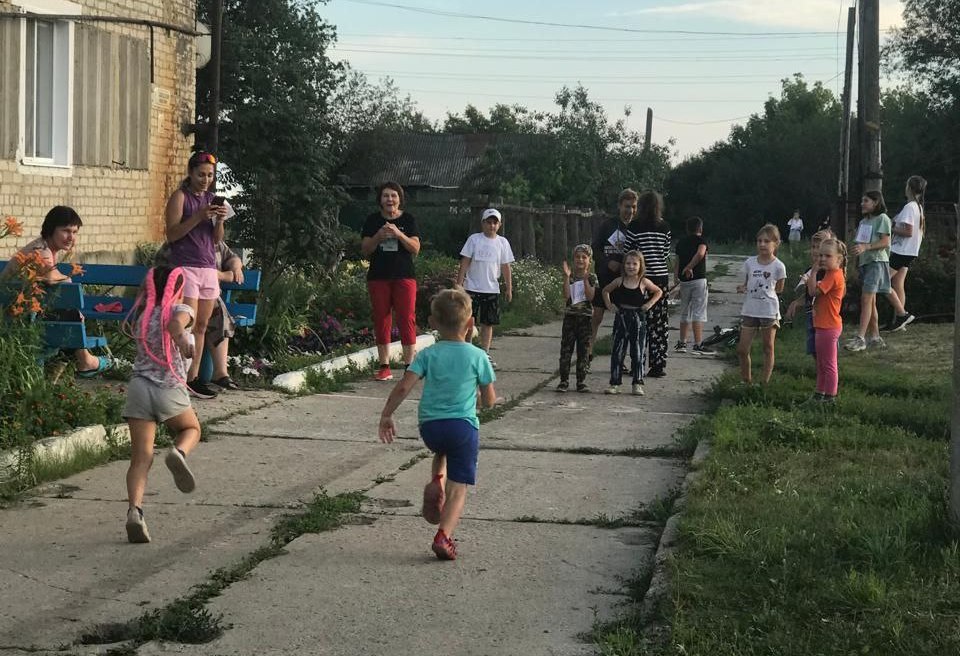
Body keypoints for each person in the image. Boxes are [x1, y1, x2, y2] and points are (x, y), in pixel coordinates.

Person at [378, 288, 496, 561]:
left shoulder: (427, 355)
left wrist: (386, 415)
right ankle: (444, 535)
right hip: (462, 427)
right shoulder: (478, 356)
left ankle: (437, 480)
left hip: (430, 428)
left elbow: (404, 386)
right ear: (471, 323)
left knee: (442, 449)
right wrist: (481, 400)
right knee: (459, 487)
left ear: (433, 323)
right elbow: (489, 401)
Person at [121, 266, 201, 543]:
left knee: (141, 458)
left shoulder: (143, 315)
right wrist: (182, 339)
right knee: (191, 429)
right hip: (168, 387)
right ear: (176, 288)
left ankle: (135, 512)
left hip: (139, 389)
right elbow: (176, 325)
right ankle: (178, 453)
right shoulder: (182, 309)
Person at [2, 205, 111, 377]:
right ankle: (85, 361)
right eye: (66, 231)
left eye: (75, 232)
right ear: (51, 229)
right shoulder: (41, 250)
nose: (71, 237)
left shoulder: (46, 248)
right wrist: (68, 278)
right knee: (68, 315)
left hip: (23, 314)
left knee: (67, 314)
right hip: (14, 318)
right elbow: (51, 277)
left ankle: (72, 364)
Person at [163, 151, 228, 399]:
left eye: (210, 175)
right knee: (186, 323)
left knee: (201, 325)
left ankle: (194, 377)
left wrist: (219, 221)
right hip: (186, 266)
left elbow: (216, 240)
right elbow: (172, 234)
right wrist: (199, 216)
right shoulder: (180, 197)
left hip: (208, 267)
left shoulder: (212, 199)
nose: (205, 180)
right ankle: (180, 375)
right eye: (201, 174)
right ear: (190, 173)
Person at [360, 181, 421, 381]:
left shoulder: (408, 219)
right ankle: (384, 366)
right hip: (379, 276)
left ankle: (409, 365)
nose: (390, 199)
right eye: (386, 196)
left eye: (393, 196)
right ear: (380, 200)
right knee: (381, 318)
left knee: (406, 318)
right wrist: (379, 236)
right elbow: (366, 249)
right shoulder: (372, 220)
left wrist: (399, 234)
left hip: (404, 275)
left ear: (399, 199)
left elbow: (415, 248)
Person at [455, 208, 514, 369]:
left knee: (488, 322)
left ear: (499, 225)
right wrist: (459, 284)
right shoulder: (474, 240)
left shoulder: (502, 243)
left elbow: (506, 266)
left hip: (491, 289)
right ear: (483, 223)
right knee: (468, 320)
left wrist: (509, 287)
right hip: (471, 288)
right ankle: (466, 350)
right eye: (489, 222)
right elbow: (465, 262)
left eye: (495, 223)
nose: (492, 226)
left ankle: (485, 352)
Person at [602, 250, 663, 396]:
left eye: (635, 264)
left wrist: (649, 304)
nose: (631, 266)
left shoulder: (644, 282)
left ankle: (637, 383)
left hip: (638, 319)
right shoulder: (619, 281)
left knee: (638, 352)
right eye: (628, 263)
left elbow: (658, 292)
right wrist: (610, 305)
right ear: (624, 265)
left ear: (641, 265)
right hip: (621, 318)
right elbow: (605, 291)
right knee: (618, 351)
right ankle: (615, 383)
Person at [625, 190, 672, 377]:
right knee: (659, 323)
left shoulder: (635, 226)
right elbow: (666, 253)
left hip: (642, 278)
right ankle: (658, 365)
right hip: (661, 278)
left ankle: (638, 363)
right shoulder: (665, 226)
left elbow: (629, 251)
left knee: (639, 321)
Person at [736, 224, 787, 384]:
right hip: (750, 310)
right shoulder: (750, 263)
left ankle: (763, 383)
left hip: (768, 311)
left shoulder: (778, 266)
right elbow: (746, 283)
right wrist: (743, 287)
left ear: (776, 243)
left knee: (768, 347)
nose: (762, 244)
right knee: (742, 349)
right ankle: (746, 381)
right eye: (759, 241)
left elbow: (779, 289)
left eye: (766, 241)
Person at [590, 188, 638, 352]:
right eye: (627, 206)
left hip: (626, 280)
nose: (630, 210)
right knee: (597, 316)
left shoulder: (637, 227)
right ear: (619, 206)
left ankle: (621, 353)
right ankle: (587, 350)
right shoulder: (608, 225)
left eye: (633, 207)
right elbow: (595, 248)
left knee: (624, 318)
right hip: (604, 276)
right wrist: (607, 262)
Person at [845, 191, 891, 352]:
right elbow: (860, 244)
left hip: (876, 262)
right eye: (862, 201)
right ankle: (875, 337)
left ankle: (860, 338)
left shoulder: (882, 218)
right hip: (865, 263)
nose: (862, 204)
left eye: (866, 201)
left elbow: (885, 241)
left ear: (876, 202)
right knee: (870, 302)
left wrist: (867, 247)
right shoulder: (864, 222)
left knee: (866, 299)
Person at [805, 238, 847, 404]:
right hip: (823, 325)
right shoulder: (832, 274)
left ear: (839, 259)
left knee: (828, 364)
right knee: (822, 363)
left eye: (828, 256)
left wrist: (813, 274)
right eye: (821, 255)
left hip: (828, 326)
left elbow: (813, 292)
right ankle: (819, 393)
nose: (822, 259)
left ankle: (830, 396)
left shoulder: (834, 275)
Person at [884, 175, 926, 332]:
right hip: (910, 251)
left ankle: (902, 314)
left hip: (901, 250)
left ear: (909, 188)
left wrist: (890, 227)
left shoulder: (910, 207)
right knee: (897, 283)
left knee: (882, 281)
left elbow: (908, 231)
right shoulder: (918, 206)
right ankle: (899, 322)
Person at [785, 229, 834, 359]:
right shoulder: (810, 271)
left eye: (819, 247)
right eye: (813, 247)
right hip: (810, 316)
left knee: (826, 354)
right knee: (814, 351)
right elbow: (808, 295)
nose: (815, 251)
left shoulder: (830, 273)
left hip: (825, 318)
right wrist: (796, 303)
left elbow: (820, 293)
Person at [556, 244, 598, 393]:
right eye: (577, 257)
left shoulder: (592, 277)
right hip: (570, 317)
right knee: (566, 349)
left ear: (589, 261)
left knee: (583, 350)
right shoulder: (570, 276)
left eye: (584, 257)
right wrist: (566, 277)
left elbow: (591, 297)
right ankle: (564, 380)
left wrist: (585, 280)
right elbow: (566, 295)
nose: (580, 260)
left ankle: (581, 381)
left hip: (585, 318)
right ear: (573, 259)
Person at [673, 216, 714, 355]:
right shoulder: (701, 241)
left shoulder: (680, 243)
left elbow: (677, 261)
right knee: (698, 312)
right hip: (698, 280)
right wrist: (690, 267)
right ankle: (698, 344)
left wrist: (676, 278)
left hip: (684, 281)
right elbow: (701, 253)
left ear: (687, 229)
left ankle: (682, 343)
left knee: (685, 311)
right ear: (700, 229)